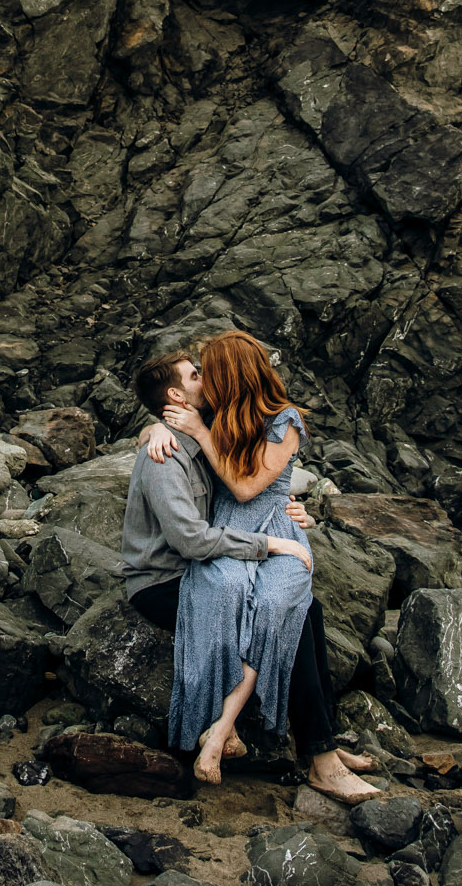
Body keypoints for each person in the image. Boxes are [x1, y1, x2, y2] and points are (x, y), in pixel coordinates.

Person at [134, 334, 379, 801]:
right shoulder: (194, 425)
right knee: (294, 614)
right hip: (184, 567)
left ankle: (319, 745)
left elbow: (251, 485)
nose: (205, 378)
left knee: (307, 611)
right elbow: (166, 437)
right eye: (196, 373)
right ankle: (319, 752)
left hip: (232, 543)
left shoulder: (232, 418)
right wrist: (152, 430)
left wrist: (289, 512)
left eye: (208, 370)